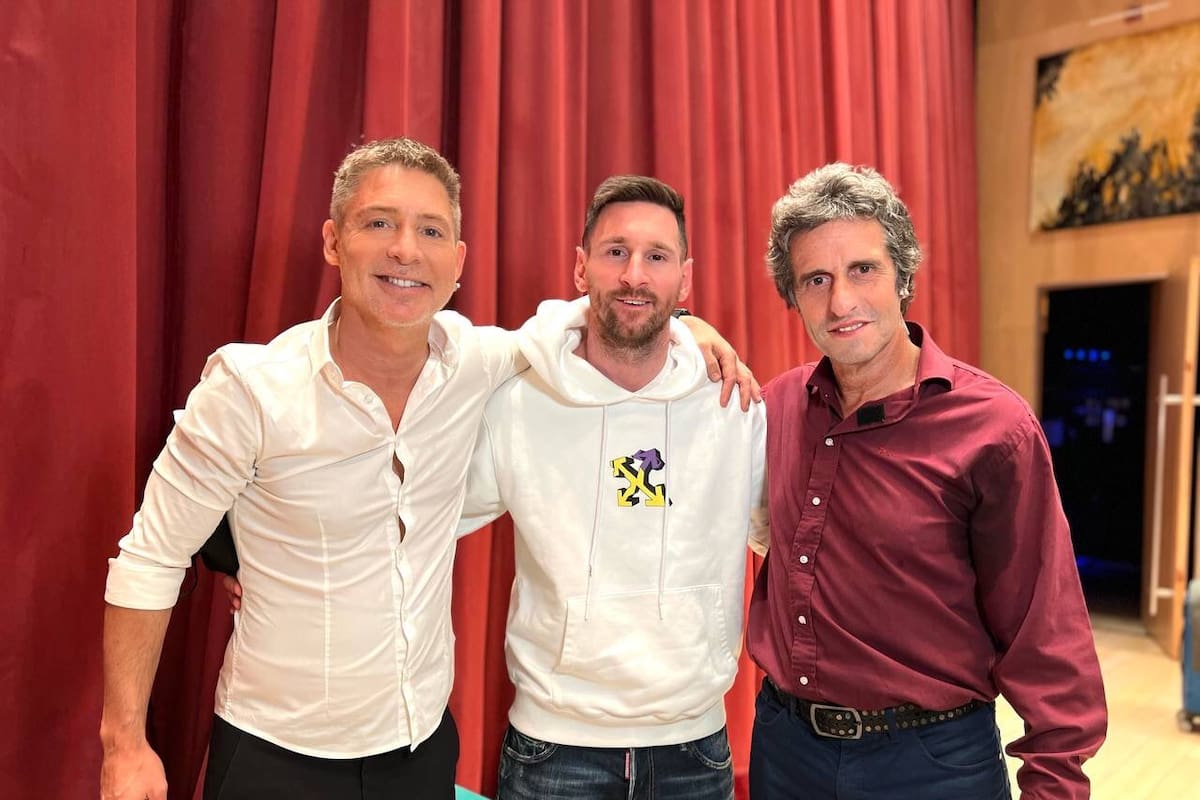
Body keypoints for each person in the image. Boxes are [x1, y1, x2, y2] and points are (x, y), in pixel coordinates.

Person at [99, 138, 751, 800]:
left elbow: (609, 318)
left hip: (418, 754)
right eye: (378, 222)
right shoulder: (251, 385)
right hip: (276, 751)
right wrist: (124, 742)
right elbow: (149, 559)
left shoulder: (480, 364)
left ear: (457, 261)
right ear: (333, 241)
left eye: (430, 230)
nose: (405, 249)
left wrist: (689, 331)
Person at [746, 163, 1107, 800]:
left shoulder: (994, 428)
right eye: (816, 280)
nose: (841, 303)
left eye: (863, 270)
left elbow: (1044, 628)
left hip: (932, 764)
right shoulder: (773, 409)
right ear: (793, 295)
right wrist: (685, 326)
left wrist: (1055, 783)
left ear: (903, 275)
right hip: (785, 749)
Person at [455, 176, 768, 799]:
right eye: (616, 252)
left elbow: (791, 540)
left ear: (685, 281)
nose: (634, 275)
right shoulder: (520, 403)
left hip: (694, 748)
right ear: (581, 268)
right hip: (554, 749)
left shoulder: (734, 404)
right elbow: (425, 516)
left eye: (657, 257)